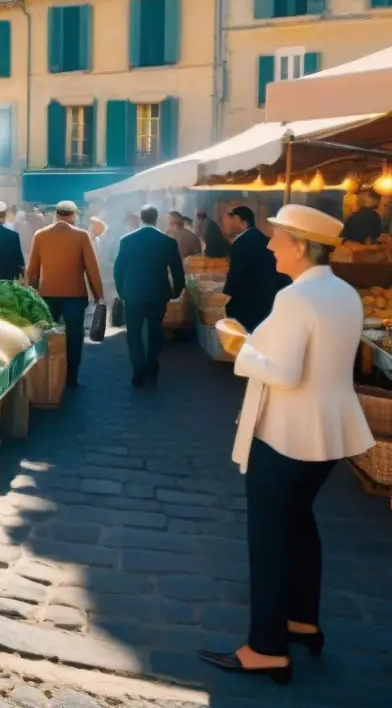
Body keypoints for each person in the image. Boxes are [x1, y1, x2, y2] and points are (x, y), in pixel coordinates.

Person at [198, 204, 374, 683]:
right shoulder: (344, 293)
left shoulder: (297, 298)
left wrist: (241, 347)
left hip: (286, 435)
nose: (271, 244)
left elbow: (285, 372)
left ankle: (267, 647)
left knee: (270, 539)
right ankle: (302, 618)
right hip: (328, 433)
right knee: (300, 526)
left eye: (277, 237)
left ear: (299, 245)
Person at [27, 200, 103, 387]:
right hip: (75, 296)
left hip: (47, 295)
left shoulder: (40, 235)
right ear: (74, 215)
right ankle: (71, 377)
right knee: (75, 336)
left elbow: (32, 270)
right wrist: (98, 295)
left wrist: (32, 294)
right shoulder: (82, 236)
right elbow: (92, 268)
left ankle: (48, 375)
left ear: (56, 215)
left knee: (46, 335)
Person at [114, 205, 185, 387]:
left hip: (133, 294)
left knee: (134, 334)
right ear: (156, 219)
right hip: (158, 293)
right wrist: (177, 290)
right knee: (156, 331)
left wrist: (122, 291)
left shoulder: (127, 240)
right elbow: (177, 270)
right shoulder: (167, 241)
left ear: (141, 218)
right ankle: (152, 366)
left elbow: (118, 269)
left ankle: (138, 370)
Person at [222, 206, 290, 333]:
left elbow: (236, 276)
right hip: (267, 303)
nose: (226, 224)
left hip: (246, 307)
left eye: (230, 219)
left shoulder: (241, 243)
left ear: (240, 220)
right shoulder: (264, 239)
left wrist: (226, 297)